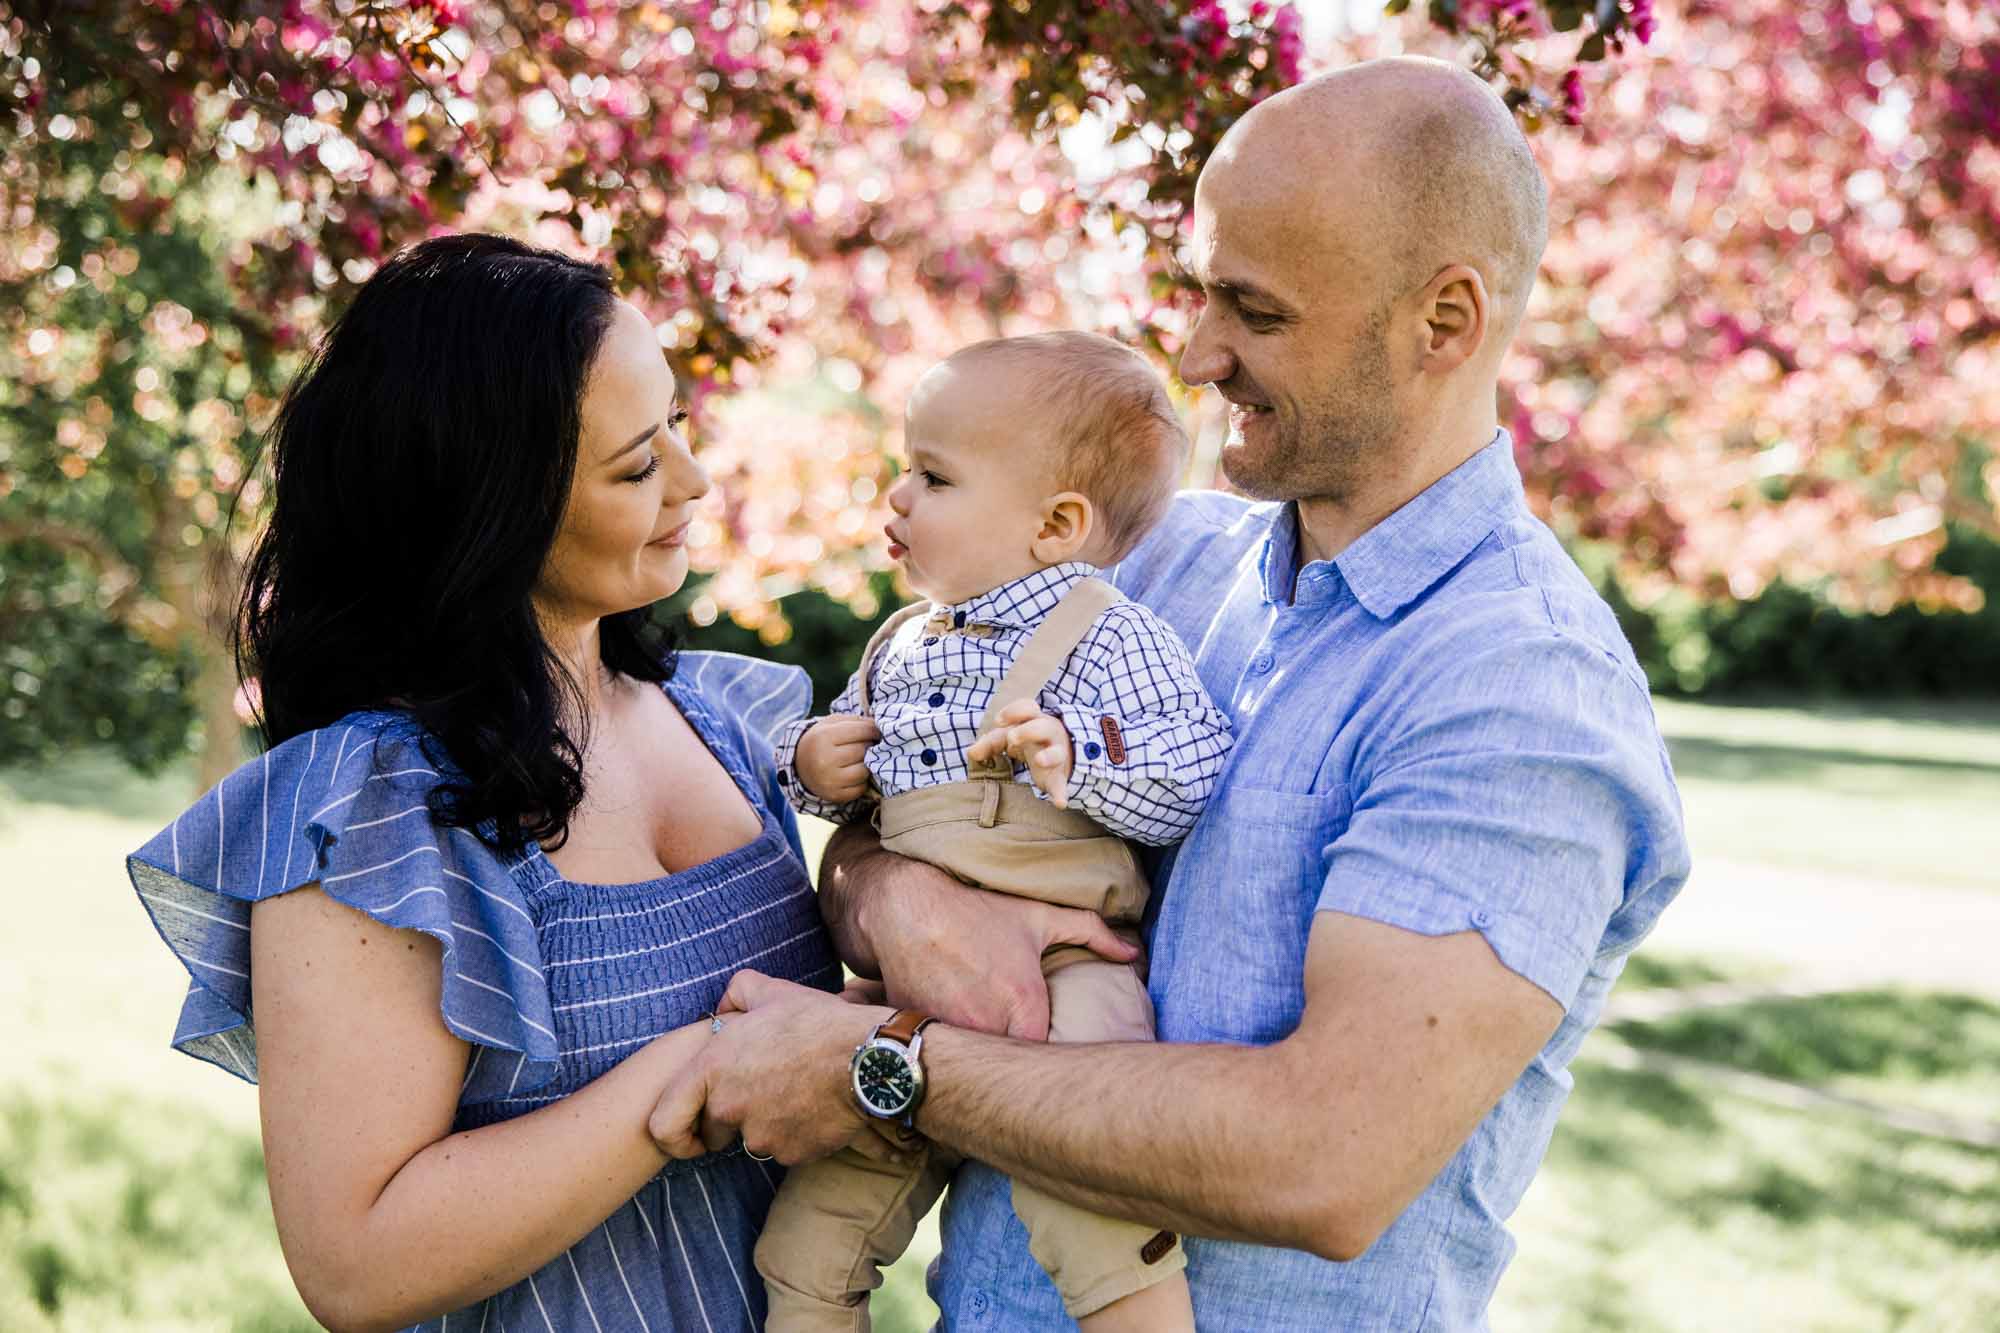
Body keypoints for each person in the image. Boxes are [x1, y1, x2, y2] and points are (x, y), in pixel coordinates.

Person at [648, 56, 1693, 1330]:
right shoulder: (1145, 567)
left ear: (1445, 322)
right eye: (1201, 291)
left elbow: (1323, 1159)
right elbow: (897, 809)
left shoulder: (1520, 692)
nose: (1197, 354)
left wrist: (885, 1065)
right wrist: (901, 894)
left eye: (1253, 312)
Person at [126, 233, 842, 1332]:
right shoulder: (372, 804)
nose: (694, 484)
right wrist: (701, 1069)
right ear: (491, 508)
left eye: (677, 432)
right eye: (637, 465)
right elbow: (356, 1262)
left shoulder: (730, 718)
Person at [757, 333, 1233, 1331]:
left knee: (1098, 1199)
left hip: (1068, 973)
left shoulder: (1105, 632)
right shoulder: (901, 643)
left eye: (931, 476)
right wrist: (814, 766)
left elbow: (1192, 767)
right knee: (810, 1231)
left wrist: (1081, 757)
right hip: (905, 993)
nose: (894, 496)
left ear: (1055, 523)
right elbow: (854, 802)